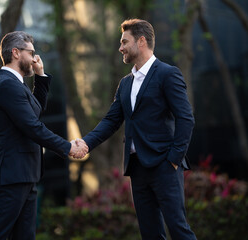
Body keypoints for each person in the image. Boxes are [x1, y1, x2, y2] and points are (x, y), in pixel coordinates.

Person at [77, 19, 197, 239]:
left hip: (164, 165)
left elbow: (186, 118)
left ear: (141, 41)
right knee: (150, 234)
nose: (120, 47)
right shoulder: (125, 84)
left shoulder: (167, 74)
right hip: (137, 169)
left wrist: (174, 158)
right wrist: (85, 143)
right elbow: (111, 121)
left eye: (125, 41)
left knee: (179, 230)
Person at [0, 31, 87, 240]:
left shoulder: (15, 83)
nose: (35, 58)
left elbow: (35, 112)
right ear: (16, 53)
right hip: (12, 174)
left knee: (25, 236)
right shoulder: (6, 85)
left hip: (24, 173)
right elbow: (33, 127)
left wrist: (40, 77)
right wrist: (67, 147)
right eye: (32, 53)